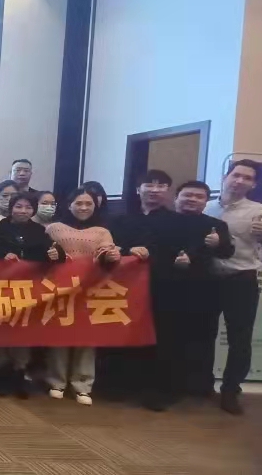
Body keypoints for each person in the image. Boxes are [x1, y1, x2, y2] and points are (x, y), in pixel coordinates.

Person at [108, 169, 203, 410]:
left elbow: (188, 251)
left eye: (161, 186)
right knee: (124, 333)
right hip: (125, 288)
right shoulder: (121, 219)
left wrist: (177, 256)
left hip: (165, 288)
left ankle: (159, 390)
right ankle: (121, 384)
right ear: (138, 189)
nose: (154, 189)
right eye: (149, 184)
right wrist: (127, 250)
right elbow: (110, 247)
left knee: (162, 338)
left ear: (168, 191)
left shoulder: (180, 221)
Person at [203, 160, 262, 415]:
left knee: (240, 338)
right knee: (203, 334)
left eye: (247, 178)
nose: (240, 181)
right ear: (226, 176)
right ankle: (202, 384)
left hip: (241, 279)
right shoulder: (207, 206)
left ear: (253, 184)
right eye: (236, 175)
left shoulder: (259, 210)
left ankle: (231, 390)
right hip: (207, 279)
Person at [45, 187, 121, 406]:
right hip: (59, 288)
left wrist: (112, 256)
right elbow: (41, 255)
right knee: (59, 334)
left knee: (87, 337)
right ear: (69, 205)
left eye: (88, 203)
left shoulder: (103, 231)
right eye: (79, 203)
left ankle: (83, 385)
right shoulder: (53, 228)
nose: (83, 207)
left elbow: (107, 258)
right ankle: (57, 382)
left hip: (91, 288)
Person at [0, 192, 62, 397]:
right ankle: (0, 374)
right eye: (19, 206)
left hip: (28, 290)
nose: (23, 211)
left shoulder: (39, 231)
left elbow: (53, 255)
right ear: (11, 207)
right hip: (0, 288)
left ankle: (19, 373)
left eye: (28, 207)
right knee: (1, 331)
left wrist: (56, 254)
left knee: (22, 332)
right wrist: (2, 255)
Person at [173, 181, 234, 402]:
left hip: (204, 290)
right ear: (176, 197)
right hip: (167, 288)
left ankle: (199, 386)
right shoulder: (163, 221)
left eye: (199, 197)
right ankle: (169, 383)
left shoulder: (216, 225)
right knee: (170, 337)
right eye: (187, 195)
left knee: (203, 338)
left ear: (206, 201)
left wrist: (218, 243)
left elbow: (227, 252)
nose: (192, 199)